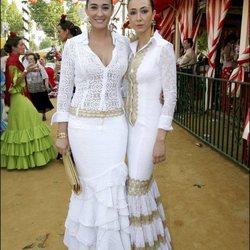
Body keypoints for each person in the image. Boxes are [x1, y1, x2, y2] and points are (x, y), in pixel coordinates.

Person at [52, 0, 131, 249]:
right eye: (94, 7)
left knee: (114, 185)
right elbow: (64, 91)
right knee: (90, 187)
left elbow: (128, 87)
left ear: (112, 10)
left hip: (117, 127)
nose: (100, 13)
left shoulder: (125, 44)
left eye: (105, 7)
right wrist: (62, 133)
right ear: (86, 10)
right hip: (82, 128)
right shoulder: (73, 46)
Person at [126, 0, 176, 249]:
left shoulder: (163, 48)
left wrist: (160, 139)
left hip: (148, 130)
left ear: (154, 14)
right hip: (126, 130)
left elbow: (171, 96)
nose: (138, 17)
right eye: (133, 12)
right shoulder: (128, 47)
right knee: (132, 186)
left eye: (143, 11)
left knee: (136, 187)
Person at [1, 32, 57, 170]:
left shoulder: (14, 60)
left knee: (22, 126)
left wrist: (27, 71)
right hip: (18, 97)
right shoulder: (12, 61)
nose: (23, 47)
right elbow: (13, 84)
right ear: (13, 47)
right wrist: (26, 71)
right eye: (20, 44)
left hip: (19, 97)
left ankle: (26, 159)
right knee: (28, 123)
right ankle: (29, 158)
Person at [26, 52, 54, 121]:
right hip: (31, 89)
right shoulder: (27, 68)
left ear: (35, 59)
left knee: (42, 102)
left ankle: (43, 115)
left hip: (40, 88)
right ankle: (34, 115)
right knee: (33, 103)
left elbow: (45, 77)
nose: (30, 60)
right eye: (29, 59)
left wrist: (47, 86)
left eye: (31, 59)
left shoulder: (39, 67)